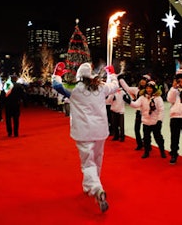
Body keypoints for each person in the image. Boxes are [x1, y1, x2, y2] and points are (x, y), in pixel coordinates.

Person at [68, 62, 118, 213]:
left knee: (88, 163)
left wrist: (57, 74)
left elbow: (57, 86)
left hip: (84, 132)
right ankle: (88, 186)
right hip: (100, 130)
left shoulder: (75, 89)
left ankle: (96, 188)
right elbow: (114, 86)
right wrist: (112, 73)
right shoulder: (101, 87)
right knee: (97, 159)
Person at [124, 80, 166, 158]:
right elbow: (136, 104)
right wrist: (129, 102)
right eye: (147, 88)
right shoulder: (143, 97)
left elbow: (161, 110)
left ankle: (162, 151)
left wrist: (160, 120)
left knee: (158, 138)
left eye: (150, 88)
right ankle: (146, 152)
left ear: (153, 89)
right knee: (146, 138)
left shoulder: (158, 98)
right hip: (146, 122)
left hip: (155, 122)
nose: (148, 90)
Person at [118, 74, 151, 150]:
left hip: (147, 112)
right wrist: (121, 79)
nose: (142, 81)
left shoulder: (150, 91)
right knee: (137, 129)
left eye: (145, 80)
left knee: (147, 130)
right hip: (139, 112)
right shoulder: (137, 90)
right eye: (142, 79)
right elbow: (127, 88)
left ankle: (147, 144)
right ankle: (139, 144)